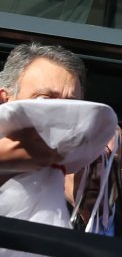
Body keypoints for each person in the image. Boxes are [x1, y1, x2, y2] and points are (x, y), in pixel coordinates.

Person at [0, 41, 85, 177]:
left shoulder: (71, 187)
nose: (60, 117)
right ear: (5, 100)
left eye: (71, 107)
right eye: (45, 99)